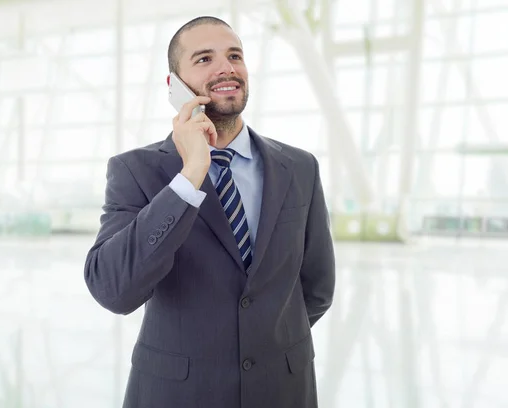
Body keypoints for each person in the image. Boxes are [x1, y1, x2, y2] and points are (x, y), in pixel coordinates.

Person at [84, 15, 335, 408]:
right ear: (174, 86)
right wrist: (190, 176)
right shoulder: (136, 170)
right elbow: (114, 289)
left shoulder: (300, 167)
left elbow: (317, 289)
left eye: (235, 55)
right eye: (204, 59)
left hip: (284, 390)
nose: (226, 68)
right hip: (178, 395)